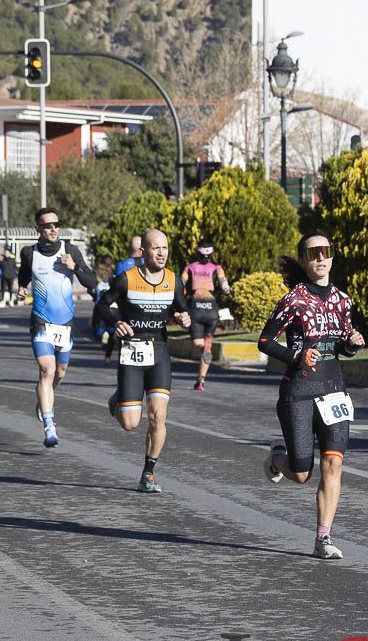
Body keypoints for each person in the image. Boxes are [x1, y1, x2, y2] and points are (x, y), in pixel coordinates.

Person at [258, 233, 365, 560]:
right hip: (299, 392)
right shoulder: (294, 299)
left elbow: (343, 345)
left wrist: (353, 344)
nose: (320, 258)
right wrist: (296, 356)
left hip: (334, 391)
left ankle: (323, 538)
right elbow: (264, 342)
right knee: (302, 472)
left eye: (325, 251)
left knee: (333, 463)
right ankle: (278, 457)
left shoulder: (343, 300)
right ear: (303, 260)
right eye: (312, 253)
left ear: (332, 257)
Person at [96, 229, 191, 493]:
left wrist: (185, 318)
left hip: (159, 351)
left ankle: (148, 473)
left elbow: (182, 309)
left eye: (165, 248)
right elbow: (103, 306)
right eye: (155, 248)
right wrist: (116, 322)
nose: (162, 253)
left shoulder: (173, 281)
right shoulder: (126, 279)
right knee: (130, 423)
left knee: (158, 416)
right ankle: (120, 398)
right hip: (132, 351)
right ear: (143, 252)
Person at [17, 208, 97, 447]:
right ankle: (49, 425)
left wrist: (75, 267)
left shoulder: (70, 251)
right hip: (41, 320)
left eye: (56, 224)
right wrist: (21, 288)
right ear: (38, 229)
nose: (53, 229)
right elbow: (23, 275)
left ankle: (44, 399)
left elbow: (91, 282)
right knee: (47, 370)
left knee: (60, 372)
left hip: (65, 323)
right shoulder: (29, 253)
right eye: (47, 225)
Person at [181, 238, 231, 391]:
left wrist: (225, 287)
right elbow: (182, 283)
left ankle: (201, 379)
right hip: (203, 308)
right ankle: (201, 375)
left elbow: (222, 281)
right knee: (202, 345)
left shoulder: (205, 267)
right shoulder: (200, 267)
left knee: (202, 345)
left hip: (204, 308)